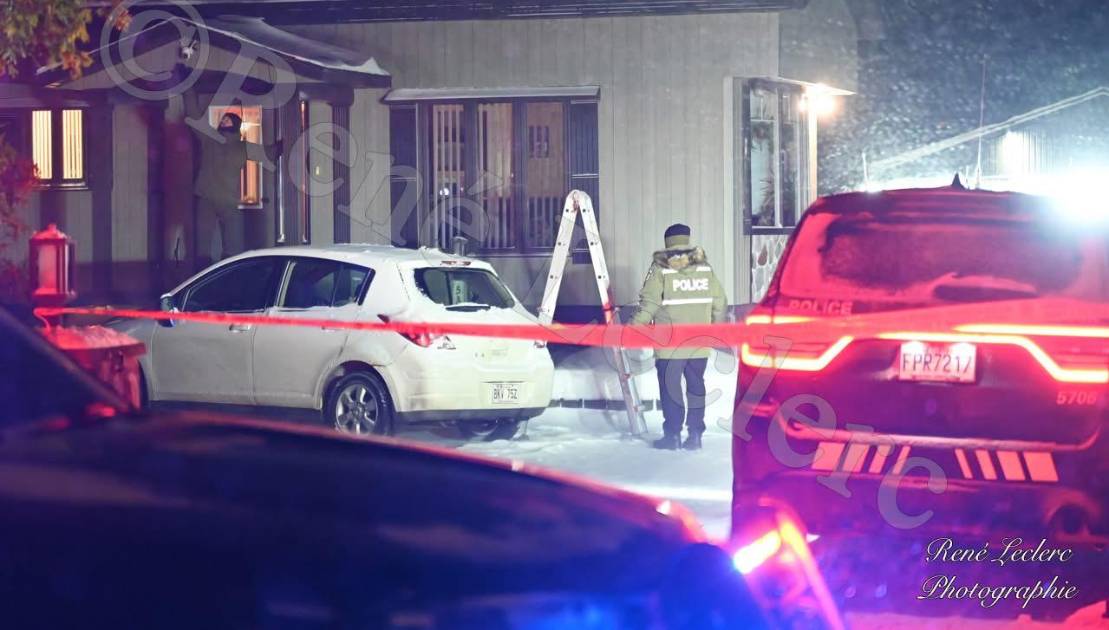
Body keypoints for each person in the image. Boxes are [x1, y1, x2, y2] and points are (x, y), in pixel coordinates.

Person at [630, 224, 728, 450]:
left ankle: (672, 435)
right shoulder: (704, 266)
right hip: (698, 342)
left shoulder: (661, 266)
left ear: (668, 242)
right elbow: (720, 301)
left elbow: (650, 303)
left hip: (670, 344)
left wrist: (633, 328)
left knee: (671, 389)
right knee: (696, 388)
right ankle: (695, 435)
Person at [183, 84, 282, 268]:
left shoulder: (212, 139)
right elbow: (269, 153)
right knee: (229, 248)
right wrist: (282, 146)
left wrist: (188, 90)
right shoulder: (237, 145)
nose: (224, 123)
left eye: (226, 121)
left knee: (205, 248)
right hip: (223, 201)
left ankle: (205, 281)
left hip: (209, 198)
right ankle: (223, 281)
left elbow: (193, 115)